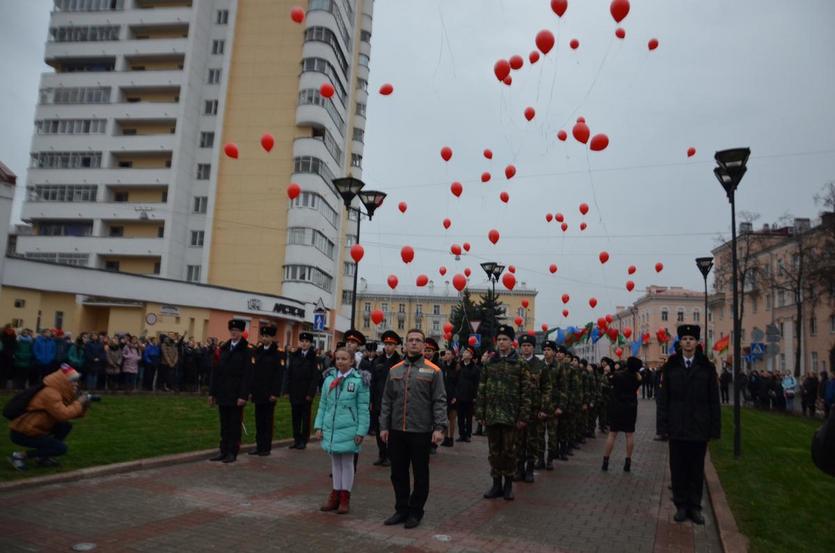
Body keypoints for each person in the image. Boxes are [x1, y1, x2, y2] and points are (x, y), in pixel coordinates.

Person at [379, 329, 447, 529]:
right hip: (397, 430)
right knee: (398, 472)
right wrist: (384, 426)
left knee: (420, 474)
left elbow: (439, 400)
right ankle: (401, 509)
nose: (415, 343)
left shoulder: (433, 370)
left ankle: (416, 511)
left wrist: (440, 427)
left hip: (421, 431)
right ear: (405, 344)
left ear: (424, 345)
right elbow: (386, 401)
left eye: (418, 340)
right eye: (411, 340)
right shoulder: (395, 370)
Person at [659, 325, 721, 525]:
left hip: (699, 426)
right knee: (678, 468)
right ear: (680, 342)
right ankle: (681, 505)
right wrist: (663, 426)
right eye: (684, 338)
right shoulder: (671, 366)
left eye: (691, 339)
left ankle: (695, 506)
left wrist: (714, 428)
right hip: (677, 426)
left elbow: (714, 400)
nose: (688, 342)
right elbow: (664, 399)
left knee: (696, 468)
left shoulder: (707, 367)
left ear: (697, 342)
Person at [478, 325, 531, 501]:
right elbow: (482, 389)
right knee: (494, 452)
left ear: (512, 342)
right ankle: (496, 484)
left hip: (511, 416)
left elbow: (526, 392)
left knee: (509, 452)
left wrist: (523, 416)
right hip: (492, 415)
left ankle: (508, 485)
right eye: (499, 339)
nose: (501, 342)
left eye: (505, 339)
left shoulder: (520, 363)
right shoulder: (490, 363)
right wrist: (481, 414)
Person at [314, 347, 370, 515]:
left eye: (344, 359)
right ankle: (335, 494)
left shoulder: (359, 381)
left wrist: (361, 431)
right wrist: (319, 426)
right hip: (331, 429)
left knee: (347, 463)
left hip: (349, 429)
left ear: (352, 361)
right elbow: (323, 404)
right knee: (335, 463)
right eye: (338, 359)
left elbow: (363, 409)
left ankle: (345, 497)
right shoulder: (329, 379)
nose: (340, 362)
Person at [8, 363, 91, 471]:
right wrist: (79, 403)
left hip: (35, 427)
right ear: (64, 382)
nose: (76, 384)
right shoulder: (50, 393)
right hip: (23, 432)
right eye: (73, 381)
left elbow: (72, 414)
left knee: (65, 426)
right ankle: (18, 456)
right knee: (61, 448)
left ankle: (43, 457)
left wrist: (83, 406)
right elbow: (63, 414)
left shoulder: (59, 392)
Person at [208, 319, 253, 463]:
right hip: (222, 392)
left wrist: (243, 395)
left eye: (237, 330)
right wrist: (212, 393)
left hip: (236, 394)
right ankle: (223, 450)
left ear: (241, 332)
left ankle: (233, 452)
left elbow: (247, 375)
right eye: (232, 330)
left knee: (234, 424)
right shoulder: (224, 348)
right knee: (224, 424)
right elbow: (216, 372)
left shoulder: (246, 350)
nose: (234, 332)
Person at [515, 334, 550, 482]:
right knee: (518, 441)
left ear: (533, 347)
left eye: (528, 346)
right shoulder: (516, 363)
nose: (526, 348)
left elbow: (547, 388)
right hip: (518, 409)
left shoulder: (540, 365)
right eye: (523, 346)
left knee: (532, 440)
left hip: (534, 410)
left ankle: (529, 469)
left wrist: (544, 408)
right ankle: (519, 470)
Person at [602, 356, 642, 472]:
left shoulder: (618, 375)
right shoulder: (637, 378)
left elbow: (607, 380)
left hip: (617, 408)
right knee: (629, 435)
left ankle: (605, 461)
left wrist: (608, 372)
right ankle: (628, 462)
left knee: (612, 434)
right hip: (631, 409)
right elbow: (639, 379)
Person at [249, 325, 284, 456]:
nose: (264, 338)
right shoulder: (257, 351)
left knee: (267, 421)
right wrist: (251, 390)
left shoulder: (278, 353)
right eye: (263, 336)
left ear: (272, 337)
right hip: (258, 391)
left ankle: (266, 447)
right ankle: (258, 446)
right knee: (259, 420)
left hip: (269, 392)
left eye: (267, 336)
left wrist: (275, 393)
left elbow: (279, 375)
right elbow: (254, 372)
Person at [283, 331, 319, 449]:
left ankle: (304, 440)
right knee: (295, 417)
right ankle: (296, 439)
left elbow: (315, 377)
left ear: (310, 343)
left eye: (307, 342)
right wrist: (286, 390)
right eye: (302, 341)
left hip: (306, 393)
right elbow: (288, 373)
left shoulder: (314, 357)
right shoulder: (295, 355)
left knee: (305, 417)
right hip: (294, 391)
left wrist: (310, 393)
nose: (304, 344)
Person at [370, 330, 401, 466]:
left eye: (391, 344)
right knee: (378, 429)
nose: (388, 347)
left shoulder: (400, 362)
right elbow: (372, 382)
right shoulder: (378, 361)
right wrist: (371, 400)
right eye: (386, 344)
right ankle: (382, 454)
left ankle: (391, 455)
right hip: (378, 401)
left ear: (396, 346)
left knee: (392, 430)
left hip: (393, 402)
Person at [455, 346, 480, 443]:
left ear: (471, 356)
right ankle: (461, 434)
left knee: (469, 417)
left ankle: (468, 435)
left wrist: (475, 396)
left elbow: (477, 383)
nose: (464, 354)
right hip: (460, 396)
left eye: (466, 353)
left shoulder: (475, 368)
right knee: (460, 417)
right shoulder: (459, 366)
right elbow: (455, 381)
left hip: (470, 397)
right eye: (464, 352)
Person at [441, 349, 459, 447]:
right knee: (444, 418)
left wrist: (456, 396)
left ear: (453, 356)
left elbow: (458, 383)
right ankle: (445, 438)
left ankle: (451, 438)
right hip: (444, 395)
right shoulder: (443, 367)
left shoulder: (456, 367)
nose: (446, 356)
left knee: (452, 418)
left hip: (453, 396)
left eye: (448, 354)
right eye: (445, 354)